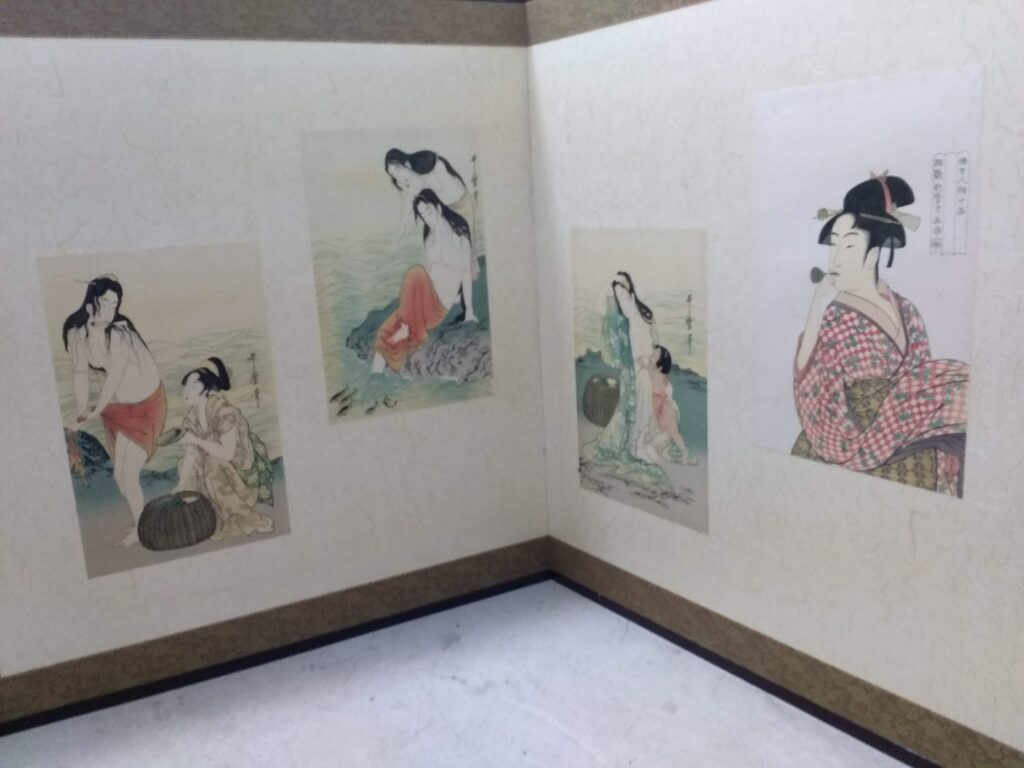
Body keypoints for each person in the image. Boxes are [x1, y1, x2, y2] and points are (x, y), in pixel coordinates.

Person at [793, 173, 969, 495]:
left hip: (914, 448)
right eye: (833, 245)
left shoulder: (908, 311)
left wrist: (947, 444)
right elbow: (812, 384)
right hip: (852, 444)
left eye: (848, 246)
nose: (835, 259)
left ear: (873, 254)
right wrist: (816, 309)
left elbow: (926, 391)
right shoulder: (832, 316)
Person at [63, 275, 166, 545]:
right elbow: (80, 373)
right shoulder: (77, 334)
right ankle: (141, 523)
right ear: (90, 304)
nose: (111, 309)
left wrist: (95, 410)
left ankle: (143, 530)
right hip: (118, 408)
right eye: (106, 303)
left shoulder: (119, 332)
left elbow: (115, 377)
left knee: (128, 476)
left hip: (146, 404)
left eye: (115, 304)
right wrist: (82, 410)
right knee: (120, 477)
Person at [371, 189, 478, 373]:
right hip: (424, 302)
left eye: (428, 211)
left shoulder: (459, 238)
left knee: (415, 272)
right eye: (423, 215)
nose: (427, 218)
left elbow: (465, 275)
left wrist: (468, 311)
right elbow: (431, 273)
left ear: (438, 207)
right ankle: (376, 373)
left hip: (437, 309)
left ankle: (410, 331)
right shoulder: (429, 240)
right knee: (386, 332)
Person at [583, 273, 669, 487]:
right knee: (634, 407)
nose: (620, 294)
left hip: (646, 366)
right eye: (617, 292)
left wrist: (651, 362)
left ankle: (641, 444)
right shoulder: (620, 317)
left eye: (623, 288)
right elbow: (598, 305)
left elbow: (654, 340)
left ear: (631, 288)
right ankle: (635, 446)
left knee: (645, 407)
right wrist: (610, 281)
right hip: (633, 369)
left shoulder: (643, 312)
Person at [175, 357, 275, 540]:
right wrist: (180, 486)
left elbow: (228, 453)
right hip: (210, 466)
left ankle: (247, 517)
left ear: (208, 388)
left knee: (212, 462)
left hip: (237, 466)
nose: (187, 390)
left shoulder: (224, 411)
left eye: (194, 384)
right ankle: (211, 517)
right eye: (186, 384)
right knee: (187, 465)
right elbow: (191, 453)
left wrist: (197, 441)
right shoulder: (191, 417)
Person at [385, 148, 479, 271]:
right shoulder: (407, 180)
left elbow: (442, 188)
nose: (397, 177)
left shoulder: (427, 166)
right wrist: (400, 233)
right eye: (393, 174)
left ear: (406, 164)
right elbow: (408, 204)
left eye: (397, 170)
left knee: (467, 251)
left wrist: (419, 185)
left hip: (459, 202)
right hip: (444, 211)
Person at [650, 345, 689, 464]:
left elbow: (658, 391)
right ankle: (679, 449)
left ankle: (684, 451)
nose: (651, 355)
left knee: (672, 431)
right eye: (652, 353)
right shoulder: (655, 372)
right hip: (658, 406)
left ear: (660, 365)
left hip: (664, 408)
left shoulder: (658, 375)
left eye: (655, 355)